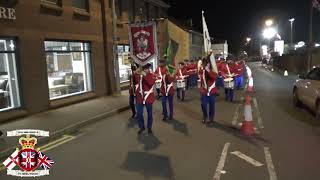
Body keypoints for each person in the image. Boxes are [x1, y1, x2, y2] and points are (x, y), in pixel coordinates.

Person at [136, 64, 156, 135]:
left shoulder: (151, 75)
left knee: (149, 113)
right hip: (139, 97)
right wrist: (136, 72)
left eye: (146, 68)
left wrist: (145, 75)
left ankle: (149, 127)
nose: (145, 70)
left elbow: (151, 83)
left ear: (148, 69)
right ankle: (141, 127)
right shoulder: (139, 75)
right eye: (144, 69)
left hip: (148, 97)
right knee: (139, 113)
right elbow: (134, 82)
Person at [199, 57, 218, 124]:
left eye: (206, 63)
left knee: (212, 106)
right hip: (204, 91)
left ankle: (211, 118)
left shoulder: (213, 71)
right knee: (203, 104)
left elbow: (214, 77)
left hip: (212, 91)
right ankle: (205, 116)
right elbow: (201, 79)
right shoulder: (202, 71)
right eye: (204, 63)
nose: (205, 65)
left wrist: (208, 71)